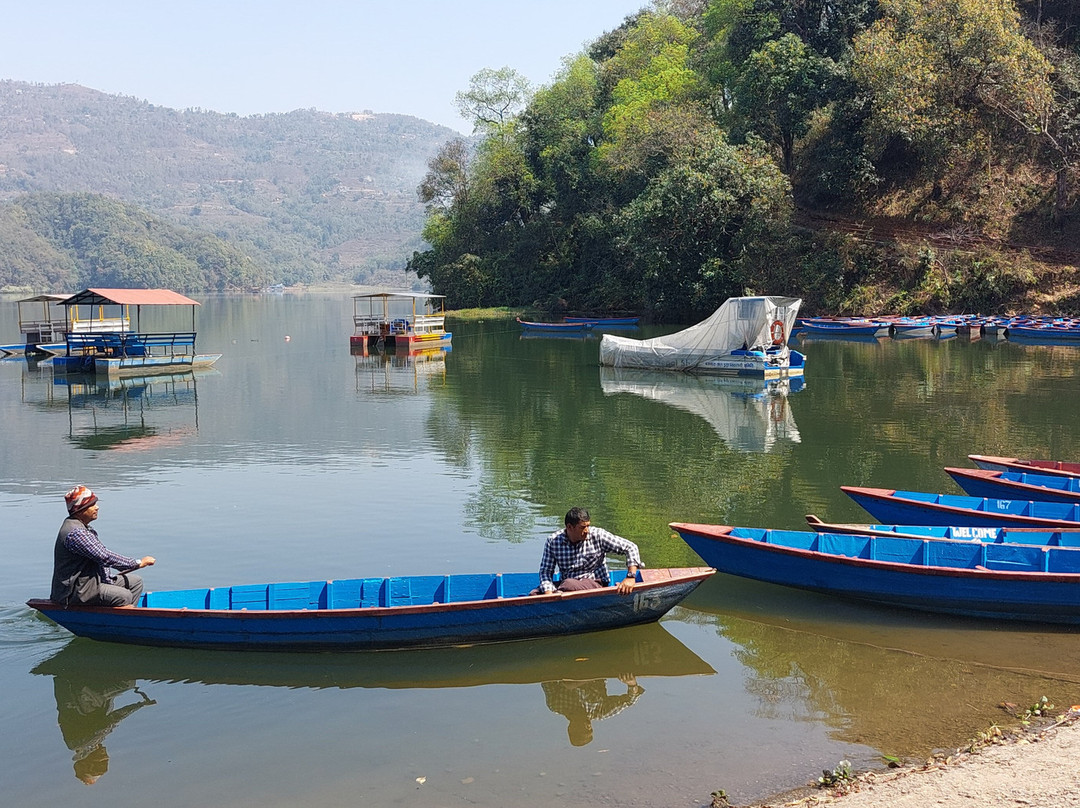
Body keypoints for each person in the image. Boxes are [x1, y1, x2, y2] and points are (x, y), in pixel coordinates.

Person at [50, 486, 155, 607]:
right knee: (124, 595)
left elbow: (100, 558)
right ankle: (119, 617)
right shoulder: (76, 533)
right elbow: (104, 556)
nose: (97, 507)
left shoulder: (83, 528)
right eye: (92, 505)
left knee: (136, 582)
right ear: (80, 510)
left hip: (90, 582)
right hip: (75, 591)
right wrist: (137, 563)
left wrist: (109, 579)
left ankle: (127, 615)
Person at [533, 507, 642, 595]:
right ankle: (558, 596)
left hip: (595, 582)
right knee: (534, 594)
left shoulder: (598, 535)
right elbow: (546, 571)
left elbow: (631, 547)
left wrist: (630, 577)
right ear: (569, 527)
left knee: (568, 584)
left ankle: (560, 594)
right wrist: (548, 593)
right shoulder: (553, 541)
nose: (586, 531)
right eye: (582, 527)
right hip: (567, 584)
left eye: (588, 526)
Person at [541, 675, 646, 746]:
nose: (588, 726)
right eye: (590, 729)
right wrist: (632, 684)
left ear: (570, 728)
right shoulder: (600, 712)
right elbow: (629, 701)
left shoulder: (556, 704)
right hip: (597, 665)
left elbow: (545, 678)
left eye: (583, 730)